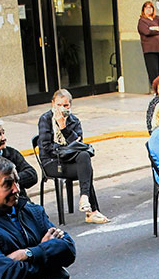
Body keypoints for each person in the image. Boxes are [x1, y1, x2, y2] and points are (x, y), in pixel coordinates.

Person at [37, 89, 110, 224]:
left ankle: (84, 198)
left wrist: (64, 127)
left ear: (70, 106)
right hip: (52, 162)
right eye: (58, 105)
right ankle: (92, 211)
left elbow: (79, 145)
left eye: (65, 106)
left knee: (84, 157)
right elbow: (46, 148)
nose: (62, 109)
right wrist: (65, 149)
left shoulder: (74, 120)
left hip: (68, 159)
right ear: (53, 104)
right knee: (86, 169)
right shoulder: (45, 119)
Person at [138, 1, 159, 84]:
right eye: (147, 8)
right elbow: (147, 32)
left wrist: (155, 28)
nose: (149, 9)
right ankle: (156, 90)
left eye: (150, 7)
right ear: (143, 10)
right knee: (153, 72)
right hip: (150, 50)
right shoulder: (142, 21)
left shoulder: (157, 18)